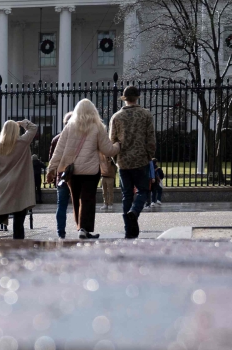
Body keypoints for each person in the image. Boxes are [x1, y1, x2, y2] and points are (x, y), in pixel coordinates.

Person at [48, 99, 119, 240]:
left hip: (73, 172)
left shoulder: (69, 126)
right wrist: (117, 146)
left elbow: (59, 150)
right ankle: (84, 229)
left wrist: (52, 168)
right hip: (90, 171)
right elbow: (107, 150)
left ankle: (80, 227)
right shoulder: (98, 127)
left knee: (76, 200)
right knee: (88, 200)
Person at [109, 85, 156, 239]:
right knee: (143, 191)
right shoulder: (146, 114)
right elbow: (151, 138)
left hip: (123, 161)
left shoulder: (116, 117)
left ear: (124, 99)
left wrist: (116, 159)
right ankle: (135, 211)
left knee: (126, 195)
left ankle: (129, 230)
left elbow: (112, 140)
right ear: (137, 98)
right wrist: (150, 155)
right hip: (140, 159)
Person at [0, 119, 37, 240]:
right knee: (19, 215)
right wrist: (22, 123)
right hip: (20, 183)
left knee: (1, 209)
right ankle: (18, 243)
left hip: (3, 183)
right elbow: (33, 128)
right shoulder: (23, 142)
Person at [46, 112, 73, 238]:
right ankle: (82, 229)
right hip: (76, 175)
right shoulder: (79, 138)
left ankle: (60, 232)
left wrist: (51, 173)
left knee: (61, 205)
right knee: (80, 203)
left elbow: (52, 160)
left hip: (61, 176)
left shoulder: (56, 139)